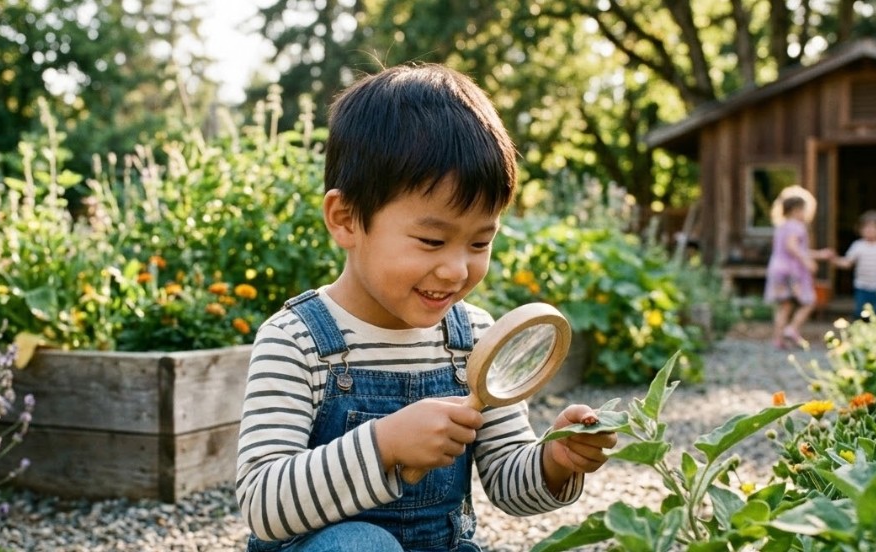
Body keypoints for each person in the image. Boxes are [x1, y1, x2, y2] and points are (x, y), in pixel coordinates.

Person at [235, 64, 617, 552]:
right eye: (432, 240)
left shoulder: (474, 341)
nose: (457, 270)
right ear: (346, 219)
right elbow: (263, 503)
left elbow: (507, 483)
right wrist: (385, 445)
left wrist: (555, 460)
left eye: (480, 242)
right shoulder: (297, 341)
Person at [764, 194, 832, 349]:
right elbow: (792, 247)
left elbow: (792, 248)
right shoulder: (797, 226)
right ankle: (792, 328)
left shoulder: (782, 226)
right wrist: (808, 262)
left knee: (784, 305)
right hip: (792, 271)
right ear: (795, 210)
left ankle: (778, 339)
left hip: (777, 268)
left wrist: (820, 254)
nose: (806, 214)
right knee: (809, 301)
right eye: (804, 210)